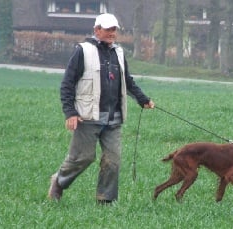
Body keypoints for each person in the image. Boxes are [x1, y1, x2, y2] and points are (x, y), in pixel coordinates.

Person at [48, 13, 155, 204]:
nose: (111, 33)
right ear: (97, 30)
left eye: (114, 29)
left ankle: (105, 200)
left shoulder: (119, 52)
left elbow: (127, 81)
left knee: (113, 161)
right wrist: (70, 112)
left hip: (114, 119)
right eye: (107, 29)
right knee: (83, 158)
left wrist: (142, 99)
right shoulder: (82, 51)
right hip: (88, 117)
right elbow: (67, 84)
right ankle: (59, 181)